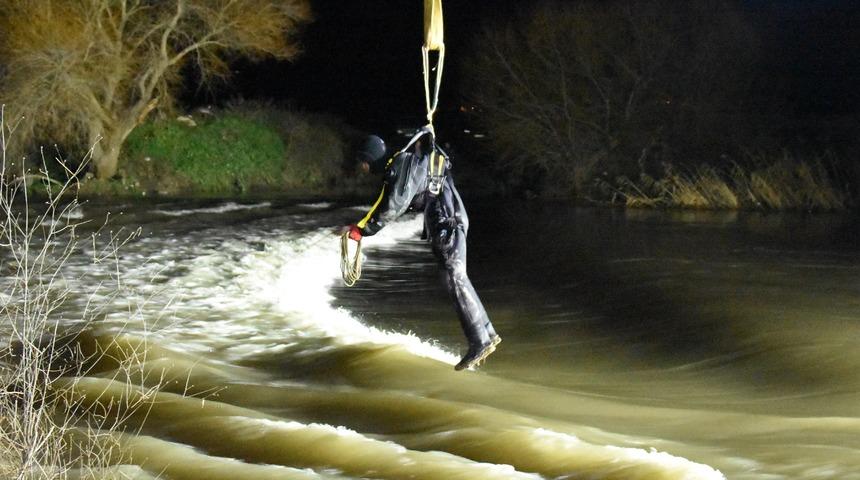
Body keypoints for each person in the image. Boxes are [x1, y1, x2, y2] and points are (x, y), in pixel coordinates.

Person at [343, 129, 501, 371]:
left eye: (363, 162)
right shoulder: (405, 161)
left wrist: (361, 231)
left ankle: (479, 340)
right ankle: (487, 334)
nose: (362, 167)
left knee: (454, 279)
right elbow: (388, 198)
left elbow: (391, 206)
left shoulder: (400, 166)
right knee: (455, 278)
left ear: (370, 158)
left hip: (447, 223)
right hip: (450, 219)